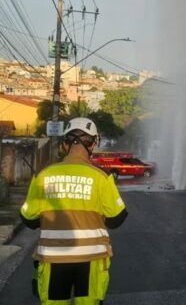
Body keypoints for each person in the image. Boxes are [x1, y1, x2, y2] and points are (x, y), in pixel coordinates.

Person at [20, 117, 128, 305]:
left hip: (53, 259)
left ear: (64, 145)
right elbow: (117, 217)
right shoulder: (101, 178)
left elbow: (28, 218)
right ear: (93, 144)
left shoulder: (43, 176)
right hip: (91, 259)